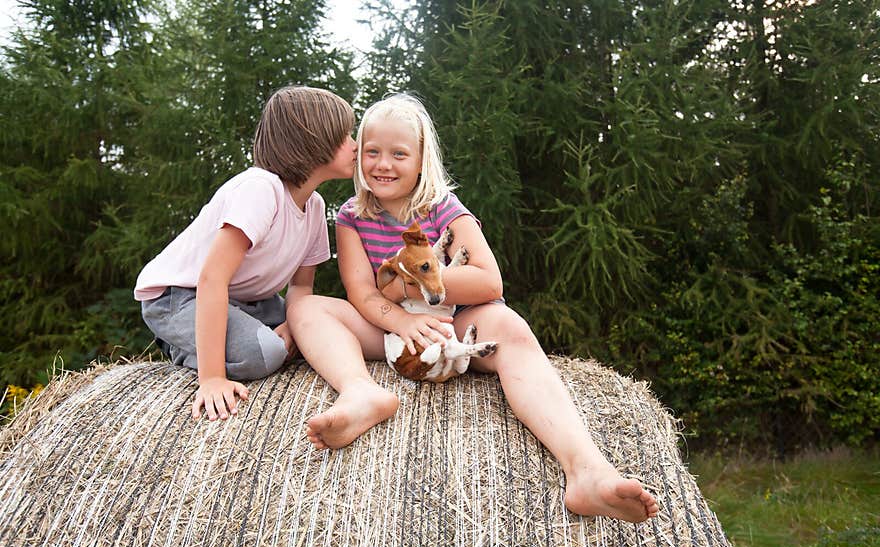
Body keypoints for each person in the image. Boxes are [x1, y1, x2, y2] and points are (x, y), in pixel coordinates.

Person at [287, 93, 659, 523]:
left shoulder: (443, 207)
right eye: (372, 152)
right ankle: (360, 391)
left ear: (423, 159)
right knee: (308, 309)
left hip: (458, 322)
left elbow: (487, 280)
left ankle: (586, 472)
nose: (382, 164)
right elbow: (362, 294)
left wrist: (413, 282)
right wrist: (404, 320)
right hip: (392, 330)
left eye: (398, 154)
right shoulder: (352, 215)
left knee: (510, 326)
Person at [134, 86, 360, 422]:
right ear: (311, 142)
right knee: (265, 354)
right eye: (345, 136)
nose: (356, 144)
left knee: (320, 330)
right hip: (181, 297)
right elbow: (212, 279)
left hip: (249, 301)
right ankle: (179, 346)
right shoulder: (259, 189)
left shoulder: (315, 207)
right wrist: (211, 378)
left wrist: (292, 324)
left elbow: (301, 290)